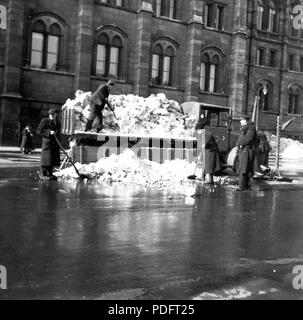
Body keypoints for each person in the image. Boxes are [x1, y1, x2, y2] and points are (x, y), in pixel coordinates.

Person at [235, 113, 258, 191]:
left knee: (244, 168)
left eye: (241, 120)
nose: (240, 122)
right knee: (244, 168)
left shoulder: (251, 128)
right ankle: (246, 184)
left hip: (248, 150)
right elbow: (241, 139)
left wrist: (240, 144)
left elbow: (248, 139)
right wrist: (238, 144)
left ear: (245, 121)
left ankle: (242, 186)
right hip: (244, 150)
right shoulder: (245, 128)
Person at [37, 108, 61, 181]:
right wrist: (49, 132)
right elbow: (39, 131)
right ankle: (43, 174)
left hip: (54, 143)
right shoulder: (45, 121)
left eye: (53, 115)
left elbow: (58, 132)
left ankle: (50, 174)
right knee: (46, 160)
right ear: (49, 115)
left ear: (56, 115)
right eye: (51, 115)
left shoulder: (57, 123)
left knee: (52, 159)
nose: (52, 116)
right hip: (47, 143)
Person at [195, 117, 221, 185]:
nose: (197, 131)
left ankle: (210, 180)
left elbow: (208, 138)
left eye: (197, 130)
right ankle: (202, 177)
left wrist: (204, 144)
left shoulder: (206, 133)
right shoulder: (200, 133)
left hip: (211, 150)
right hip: (207, 150)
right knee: (205, 163)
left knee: (209, 165)